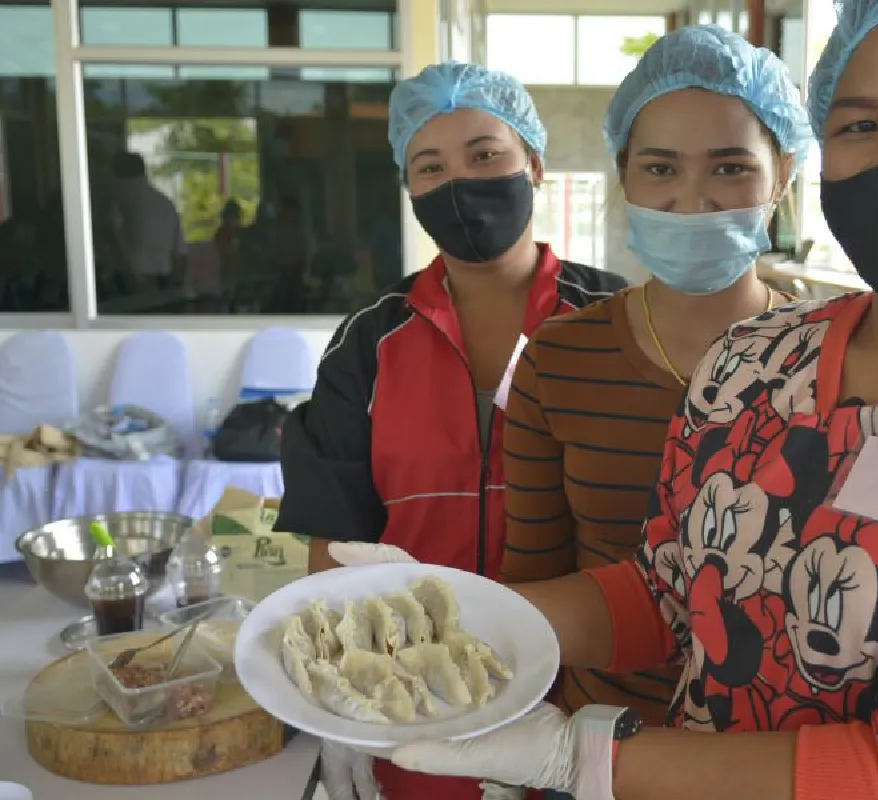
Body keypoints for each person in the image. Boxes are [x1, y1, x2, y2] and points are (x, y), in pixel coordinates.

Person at [329, 5, 878, 799]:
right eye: (860, 124)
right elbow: (667, 594)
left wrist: (578, 758)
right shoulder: (756, 361)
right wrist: (456, 610)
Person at [276, 62, 627, 800]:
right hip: (413, 702)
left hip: (591, 705)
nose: (460, 183)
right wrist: (340, 705)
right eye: (429, 166)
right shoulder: (369, 344)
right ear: (410, 190)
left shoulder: (616, 322)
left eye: (485, 155)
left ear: (534, 161)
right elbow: (331, 535)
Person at [500, 25, 805, 731]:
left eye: (730, 168)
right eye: (661, 169)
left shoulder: (836, 359)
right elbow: (534, 580)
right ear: (625, 175)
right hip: (596, 745)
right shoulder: (560, 360)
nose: (693, 200)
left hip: (768, 759)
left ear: (782, 174)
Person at [109, 151, 186, 293]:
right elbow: (179, 251)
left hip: (132, 277)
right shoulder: (166, 203)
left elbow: (117, 235)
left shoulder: (116, 196)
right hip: (164, 274)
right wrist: (177, 281)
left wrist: (137, 277)